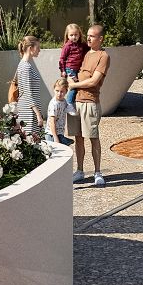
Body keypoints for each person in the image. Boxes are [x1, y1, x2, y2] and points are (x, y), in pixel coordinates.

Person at [68, 23, 110, 186]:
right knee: (78, 138)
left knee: (93, 137)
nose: (89, 38)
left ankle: (97, 172)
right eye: (88, 35)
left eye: (92, 36)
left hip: (90, 102)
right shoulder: (85, 53)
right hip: (75, 101)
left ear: (101, 39)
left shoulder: (103, 56)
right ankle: (79, 171)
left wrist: (74, 85)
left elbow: (94, 81)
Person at [14, 35, 51, 139]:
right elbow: (27, 92)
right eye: (38, 48)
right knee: (32, 142)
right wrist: (38, 114)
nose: (39, 50)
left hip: (29, 110)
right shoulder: (25, 67)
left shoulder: (25, 65)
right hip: (29, 112)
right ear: (30, 48)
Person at [58, 23, 88, 108]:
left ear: (79, 34)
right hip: (70, 69)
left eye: (76, 35)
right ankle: (69, 103)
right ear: (67, 35)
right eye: (71, 35)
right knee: (73, 86)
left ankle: (72, 102)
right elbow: (62, 59)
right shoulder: (67, 46)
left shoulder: (82, 44)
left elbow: (89, 48)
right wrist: (63, 70)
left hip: (78, 69)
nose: (74, 37)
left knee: (78, 85)